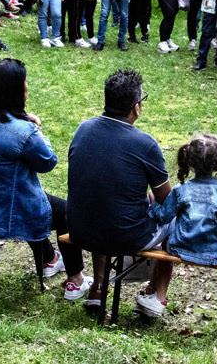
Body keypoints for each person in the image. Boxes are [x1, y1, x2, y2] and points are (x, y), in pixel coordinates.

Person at [0, 59, 92, 299]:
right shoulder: (24, 133)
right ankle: (75, 279)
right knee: (62, 211)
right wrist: (37, 128)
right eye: (25, 82)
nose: (27, 86)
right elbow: (48, 162)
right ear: (15, 90)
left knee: (36, 200)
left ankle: (50, 258)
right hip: (13, 211)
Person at [66, 70, 174, 320]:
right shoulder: (145, 144)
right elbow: (167, 202)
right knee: (175, 220)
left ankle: (98, 286)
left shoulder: (83, 129)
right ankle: (156, 295)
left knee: (102, 205)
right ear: (136, 107)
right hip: (124, 235)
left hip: (81, 229)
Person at [150, 134, 217, 327]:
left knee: (166, 241)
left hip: (180, 248)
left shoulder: (181, 190)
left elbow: (163, 216)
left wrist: (151, 202)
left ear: (189, 162)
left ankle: (159, 296)